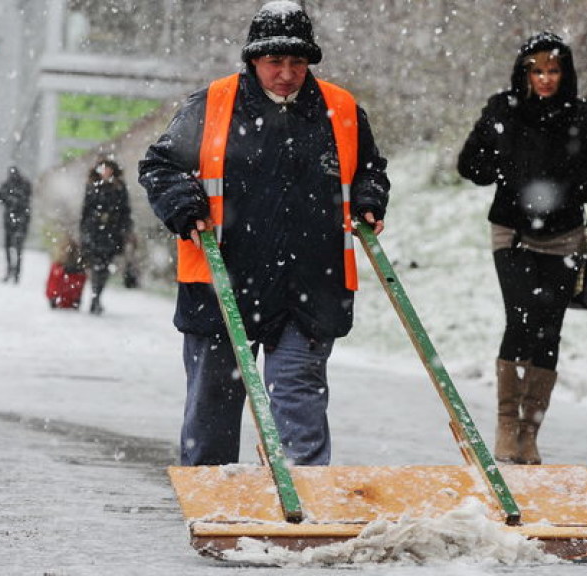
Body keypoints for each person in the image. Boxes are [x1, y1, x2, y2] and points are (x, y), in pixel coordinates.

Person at [138, 1, 390, 467]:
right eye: (275, 62)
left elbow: (369, 169)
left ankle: (305, 503)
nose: (287, 73)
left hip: (311, 282)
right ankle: (213, 503)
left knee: (299, 398)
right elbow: (160, 166)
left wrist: (370, 199)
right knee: (213, 403)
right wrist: (182, 204)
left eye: (297, 62)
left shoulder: (341, 109)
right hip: (222, 280)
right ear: (253, 60)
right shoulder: (212, 104)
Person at [457, 32, 587, 465]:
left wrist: (558, 183)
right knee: (521, 318)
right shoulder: (503, 109)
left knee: (549, 329)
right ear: (524, 72)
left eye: (553, 70)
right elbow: (471, 165)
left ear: (566, 73)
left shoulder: (581, 114)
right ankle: (507, 425)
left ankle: (530, 431)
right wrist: (510, 168)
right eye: (537, 70)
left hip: (565, 235)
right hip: (513, 233)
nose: (545, 78)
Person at [79, 158, 133, 315]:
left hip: (112, 232)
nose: (105, 172)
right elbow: (85, 210)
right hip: (94, 231)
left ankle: (97, 296)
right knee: (96, 265)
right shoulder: (91, 187)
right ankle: (95, 297)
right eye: (103, 169)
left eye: (108, 169)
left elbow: (125, 211)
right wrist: (84, 231)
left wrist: (126, 229)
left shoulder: (119, 187)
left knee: (105, 265)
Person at [0, 166, 32, 283]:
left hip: (19, 220)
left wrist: (13, 200)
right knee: (13, 247)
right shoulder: (9, 185)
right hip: (13, 220)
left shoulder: (22, 185)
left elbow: (26, 199)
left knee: (16, 247)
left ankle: (14, 272)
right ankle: (12, 271)